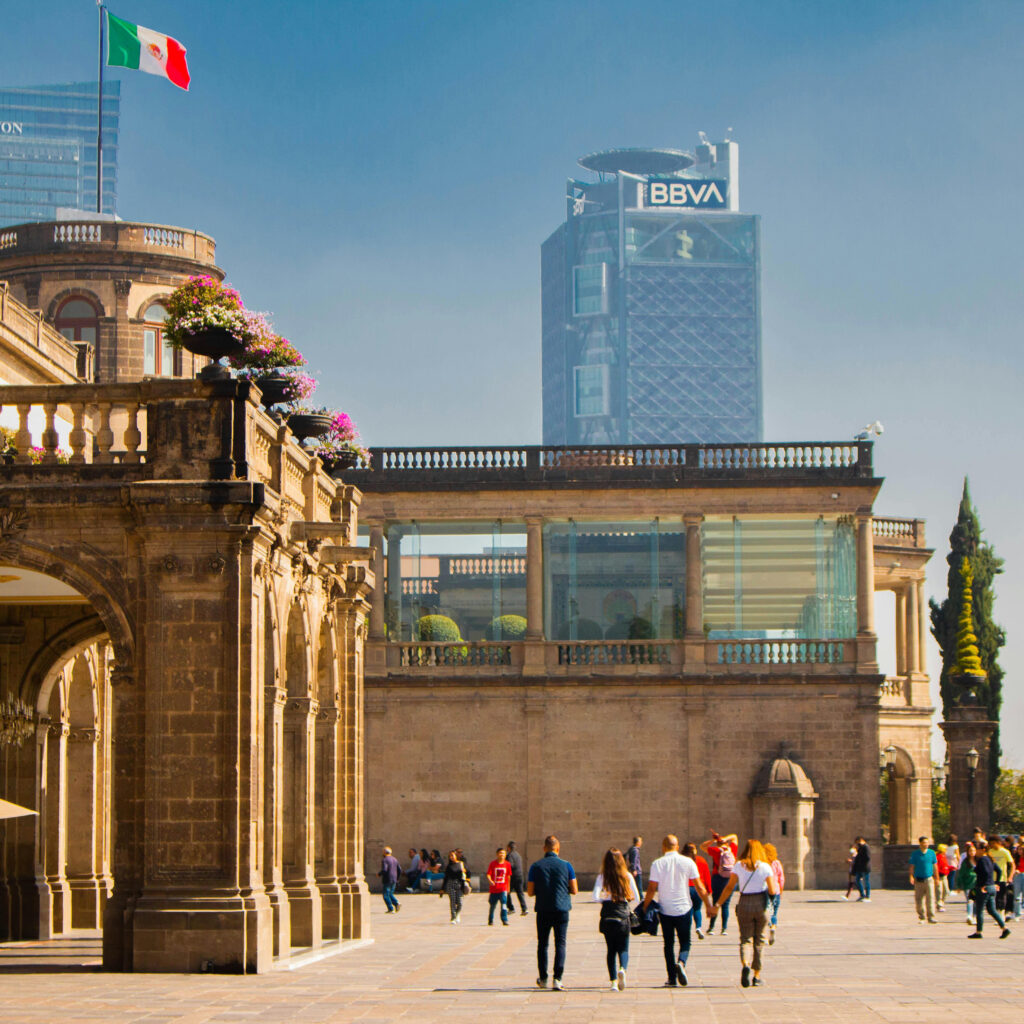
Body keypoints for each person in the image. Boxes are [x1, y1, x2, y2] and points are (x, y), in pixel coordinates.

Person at [641, 834, 713, 988]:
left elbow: (652, 888)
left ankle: (672, 978)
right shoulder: (688, 862)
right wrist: (708, 905)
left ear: (663, 847)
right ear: (677, 846)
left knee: (668, 944)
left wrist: (645, 906)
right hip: (684, 908)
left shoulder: (657, 864)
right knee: (685, 942)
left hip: (665, 909)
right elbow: (700, 886)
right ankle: (681, 962)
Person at [710, 838, 778, 988]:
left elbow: (729, 888)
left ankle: (745, 964)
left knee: (745, 939)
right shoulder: (765, 867)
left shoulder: (739, 866)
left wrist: (717, 904)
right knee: (759, 940)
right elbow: (773, 891)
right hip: (761, 903)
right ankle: (757, 975)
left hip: (744, 902)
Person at [527, 835, 578, 990]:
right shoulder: (567, 865)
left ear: (544, 848)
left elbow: (529, 892)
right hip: (561, 909)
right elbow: (575, 890)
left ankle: (543, 979)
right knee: (560, 943)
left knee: (542, 944)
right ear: (558, 848)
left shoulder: (535, 866)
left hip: (543, 909)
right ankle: (558, 978)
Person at [592, 848, 641, 991]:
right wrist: (626, 904)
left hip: (608, 915)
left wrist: (605, 901)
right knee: (624, 948)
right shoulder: (627, 876)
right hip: (622, 915)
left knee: (611, 950)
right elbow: (637, 898)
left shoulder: (602, 876)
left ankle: (613, 981)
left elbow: (594, 896)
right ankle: (623, 969)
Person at [967, 840, 1011, 939]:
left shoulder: (982, 859)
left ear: (982, 850)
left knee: (980, 910)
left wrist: (983, 885)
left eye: (977, 849)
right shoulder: (990, 859)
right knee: (992, 910)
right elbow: (999, 871)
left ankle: (979, 932)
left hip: (984, 887)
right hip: (991, 887)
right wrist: (996, 883)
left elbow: (986, 872)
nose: (976, 851)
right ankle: (1005, 928)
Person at [701, 831, 738, 935]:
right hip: (730, 878)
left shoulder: (716, 850)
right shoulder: (733, 850)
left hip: (717, 877)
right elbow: (734, 836)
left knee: (715, 902)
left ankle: (711, 927)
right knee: (725, 905)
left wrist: (713, 840)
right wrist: (725, 838)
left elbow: (702, 846)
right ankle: (724, 929)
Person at [682, 842, 712, 940]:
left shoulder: (682, 861)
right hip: (698, 888)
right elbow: (707, 875)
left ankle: (687, 928)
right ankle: (698, 927)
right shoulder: (701, 860)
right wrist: (709, 889)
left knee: (688, 910)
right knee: (697, 909)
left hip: (686, 888)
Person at [909, 836, 937, 924]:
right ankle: (921, 916)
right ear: (920, 843)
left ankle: (931, 916)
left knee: (931, 898)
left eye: (927, 842)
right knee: (919, 899)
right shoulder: (915, 854)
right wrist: (911, 876)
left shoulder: (932, 853)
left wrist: (937, 877)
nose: (926, 844)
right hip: (918, 880)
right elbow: (912, 866)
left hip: (929, 879)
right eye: (924, 842)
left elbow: (935, 866)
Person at [988, 836, 1015, 916]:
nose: (992, 845)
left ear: (998, 842)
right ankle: (997, 914)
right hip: (992, 878)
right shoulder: (990, 852)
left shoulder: (1005, 852)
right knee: (994, 898)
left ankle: (1002, 914)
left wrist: (1010, 877)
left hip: (1003, 878)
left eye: (993, 843)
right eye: (991, 843)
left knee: (1002, 896)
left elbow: (1012, 865)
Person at [764, 842, 785, 944]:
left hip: (766, 891)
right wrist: (781, 890)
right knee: (774, 912)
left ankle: (766, 929)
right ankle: (773, 926)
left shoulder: (763, 864)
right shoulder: (776, 863)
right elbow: (781, 878)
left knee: (766, 911)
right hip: (776, 890)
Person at [486, 846, 512, 926]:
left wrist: (508, 888)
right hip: (494, 889)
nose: (502, 855)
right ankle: (491, 919)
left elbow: (508, 876)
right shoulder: (493, 864)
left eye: (503, 853)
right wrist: (490, 881)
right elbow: (488, 874)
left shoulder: (507, 864)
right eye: (500, 853)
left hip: (503, 888)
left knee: (504, 904)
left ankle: (504, 919)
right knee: (493, 905)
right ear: (497, 854)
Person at [440, 849, 467, 923]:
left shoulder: (461, 864)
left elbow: (466, 873)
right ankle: (453, 917)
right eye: (450, 856)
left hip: (459, 884)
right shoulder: (449, 866)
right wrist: (442, 889)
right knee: (452, 901)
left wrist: (466, 882)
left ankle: (457, 914)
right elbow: (446, 878)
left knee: (460, 902)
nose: (451, 857)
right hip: (450, 884)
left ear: (456, 856)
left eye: (452, 855)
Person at [955, 840, 977, 925]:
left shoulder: (979, 861)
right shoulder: (965, 862)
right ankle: (969, 915)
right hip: (968, 884)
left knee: (976, 901)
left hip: (977, 884)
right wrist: (959, 885)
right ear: (967, 852)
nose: (972, 852)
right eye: (970, 851)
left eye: (973, 851)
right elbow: (961, 874)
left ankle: (975, 916)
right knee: (969, 900)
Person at [506, 840, 528, 916]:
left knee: (507, 892)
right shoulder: (518, 855)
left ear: (508, 847)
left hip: (513, 877)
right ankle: (524, 909)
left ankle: (511, 908)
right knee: (520, 893)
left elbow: (510, 865)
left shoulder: (509, 855)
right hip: (520, 876)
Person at [379, 846, 401, 913]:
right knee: (390, 893)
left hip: (388, 878)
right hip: (394, 878)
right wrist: (397, 878)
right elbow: (399, 869)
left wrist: (379, 874)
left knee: (385, 894)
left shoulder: (385, 860)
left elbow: (385, 870)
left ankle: (390, 908)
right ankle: (396, 903)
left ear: (385, 852)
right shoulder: (394, 859)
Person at [851, 837, 871, 901]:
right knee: (857, 880)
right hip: (859, 868)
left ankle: (867, 896)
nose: (857, 844)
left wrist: (861, 862)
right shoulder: (860, 848)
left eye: (857, 842)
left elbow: (867, 857)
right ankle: (862, 894)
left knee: (866, 881)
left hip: (865, 867)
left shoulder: (866, 847)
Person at [1012, 837, 1024, 921]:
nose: (1020, 851)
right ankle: (1017, 913)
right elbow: (1013, 866)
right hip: (1017, 876)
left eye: (1021, 850)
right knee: (1017, 896)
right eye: (1019, 849)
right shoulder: (1016, 857)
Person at [936, 844, 950, 911]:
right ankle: (939, 904)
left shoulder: (944, 856)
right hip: (939, 876)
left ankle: (942, 902)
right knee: (939, 891)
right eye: (945, 849)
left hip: (945, 876)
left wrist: (950, 868)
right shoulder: (938, 857)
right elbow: (936, 867)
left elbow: (945, 865)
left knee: (946, 890)